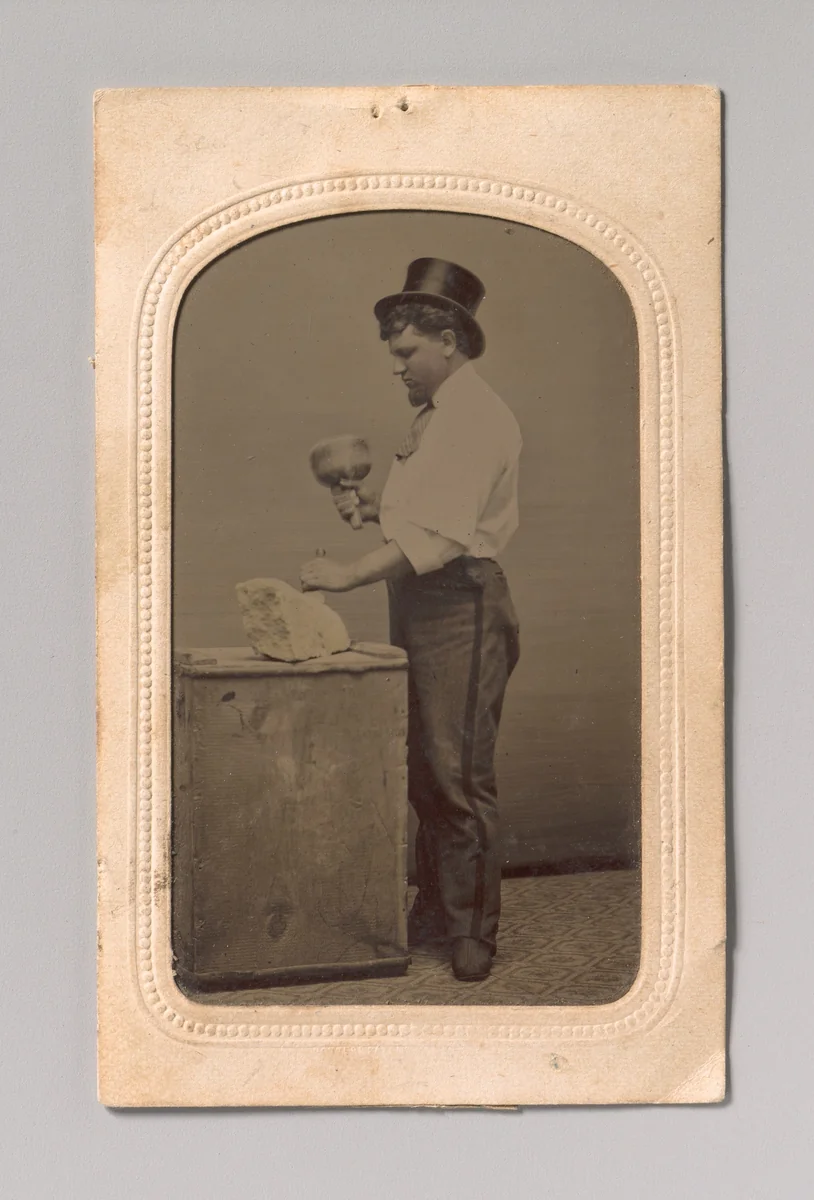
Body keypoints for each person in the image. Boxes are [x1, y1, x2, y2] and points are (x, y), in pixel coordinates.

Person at [300, 258, 521, 982]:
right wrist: (367, 512)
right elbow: (414, 518)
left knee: (456, 772)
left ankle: (472, 932)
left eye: (406, 353)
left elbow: (440, 538)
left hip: (462, 603)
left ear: (450, 340)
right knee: (426, 767)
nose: (397, 368)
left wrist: (345, 574)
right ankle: (435, 908)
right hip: (427, 602)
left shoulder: (475, 418)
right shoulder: (435, 418)